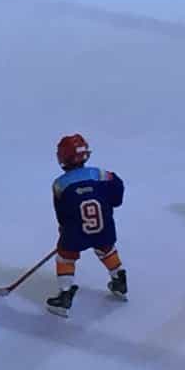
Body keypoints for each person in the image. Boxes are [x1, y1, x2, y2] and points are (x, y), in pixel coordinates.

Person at [47, 134, 127, 317]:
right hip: (103, 226)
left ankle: (65, 294)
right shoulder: (100, 174)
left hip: (76, 231)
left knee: (65, 257)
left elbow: (62, 212)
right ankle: (119, 279)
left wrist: (64, 229)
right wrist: (113, 202)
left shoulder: (60, 184)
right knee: (106, 249)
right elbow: (118, 186)